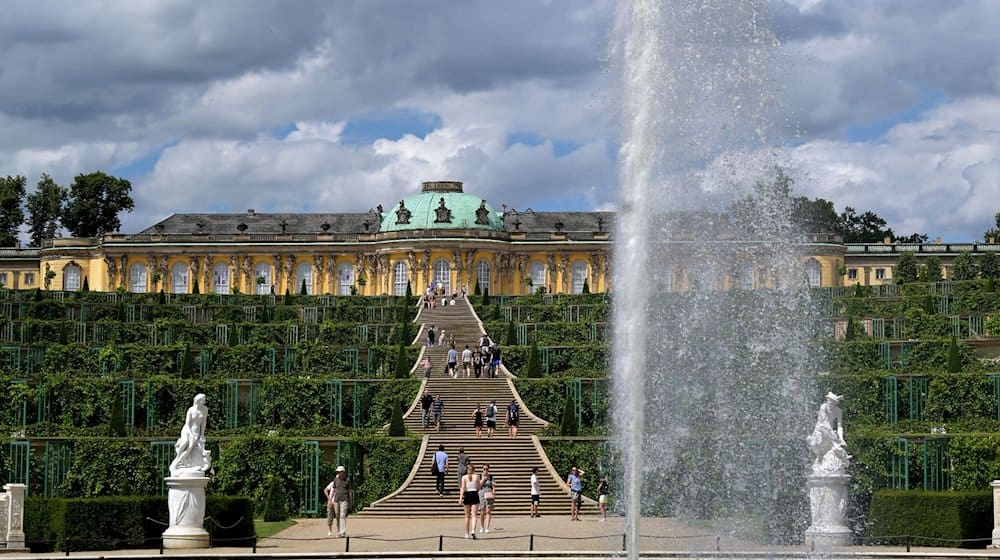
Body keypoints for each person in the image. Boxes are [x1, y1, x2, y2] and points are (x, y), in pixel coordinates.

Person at [169, 393, 208, 476]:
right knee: (186, 441)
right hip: (187, 430)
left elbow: (204, 422)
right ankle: (178, 459)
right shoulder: (191, 410)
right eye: (203, 400)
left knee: (190, 447)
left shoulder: (205, 409)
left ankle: (180, 460)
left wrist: (202, 434)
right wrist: (191, 435)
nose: (204, 401)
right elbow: (187, 424)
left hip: (196, 432)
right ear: (198, 401)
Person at [324, 465, 353, 537]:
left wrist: (350, 501)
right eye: (337, 472)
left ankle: (342, 532)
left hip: (344, 499)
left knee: (342, 515)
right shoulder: (335, 480)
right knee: (337, 515)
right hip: (336, 499)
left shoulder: (347, 480)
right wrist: (330, 499)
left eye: (339, 472)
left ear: (343, 472)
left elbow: (349, 491)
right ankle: (339, 531)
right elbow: (333, 490)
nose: (338, 473)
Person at [460, 463, 480, 539]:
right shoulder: (477, 476)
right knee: (474, 515)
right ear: (473, 470)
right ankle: (473, 530)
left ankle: (466, 533)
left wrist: (460, 498)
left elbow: (462, 488)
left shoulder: (464, 477)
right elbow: (478, 487)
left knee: (467, 516)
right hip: (474, 493)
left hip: (467, 494)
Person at [478, 464, 495, 533]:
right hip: (481, 494)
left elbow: (494, 487)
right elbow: (478, 486)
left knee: (488, 511)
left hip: (489, 494)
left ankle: (487, 527)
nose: (485, 470)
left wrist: (494, 495)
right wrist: (483, 479)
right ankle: (482, 526)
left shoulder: (491, 477)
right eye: (484, 469)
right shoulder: (479, 476)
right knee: (482, 512)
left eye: (487, 469)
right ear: (482, 469)